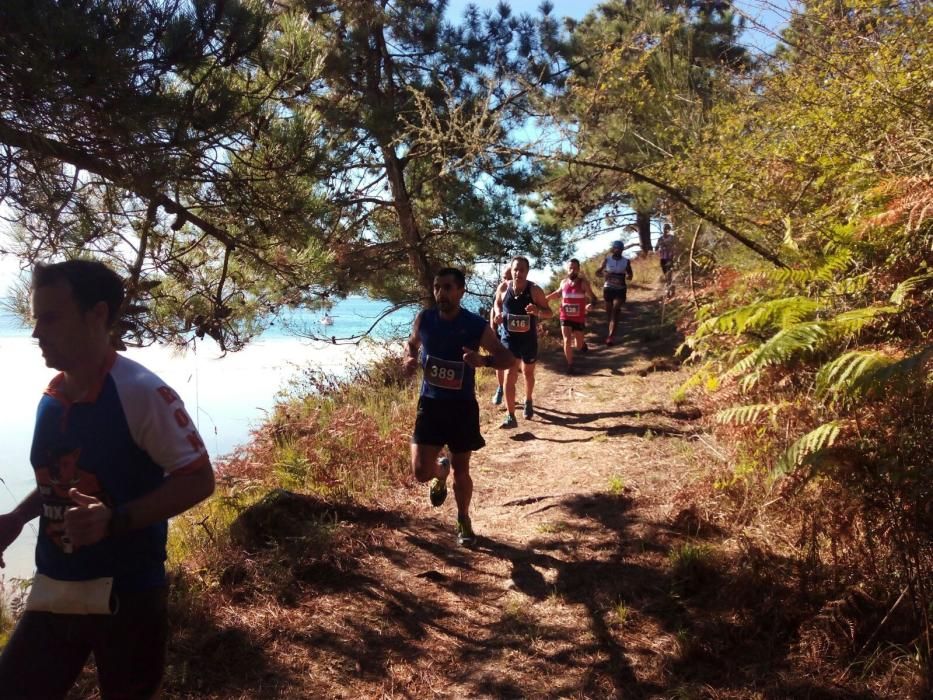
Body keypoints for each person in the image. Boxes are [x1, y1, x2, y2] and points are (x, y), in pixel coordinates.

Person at [0, 260, 215, 699]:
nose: (37, 333)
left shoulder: (140, 392)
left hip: (129, 596)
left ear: (97, 314)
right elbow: (63, 478)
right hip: (56, 588)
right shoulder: (54, 397)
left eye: (51, 317)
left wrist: (113, 520)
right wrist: (18, 517)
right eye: (35, 318)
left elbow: (198, 480)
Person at [403, 268, 513, 546]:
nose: (441, 293)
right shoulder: (424, 319)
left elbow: (507, 358)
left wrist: (484, 361)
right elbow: (412, 344)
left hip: (461, 408)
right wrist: (409, 358)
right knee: (419, 472)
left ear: (461, 291)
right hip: (429, 405)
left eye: (448, 287)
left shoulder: (475, 325)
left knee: (462, 470)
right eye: (437, 287)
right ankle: (440, 470)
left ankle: (463, 519)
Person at [492, 256, 554, 428]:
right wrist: (498, 313)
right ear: (511, 270)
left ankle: (528, 400)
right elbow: (497, 303)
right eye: (515, 269)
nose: (518, 273)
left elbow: (550, 312)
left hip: (528, 340)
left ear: (527, 272)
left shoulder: (534, 290)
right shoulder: (504, 287)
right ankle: (510, 415)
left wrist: (537, 311)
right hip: (509, 339)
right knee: (509, 375)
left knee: (527, 373)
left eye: (522, 270)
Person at [545, 258, 598, 374]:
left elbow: (594, 298)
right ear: (567, 269)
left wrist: (591, 305)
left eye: (575, 268)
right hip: (565, 316)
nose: (572, 270)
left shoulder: (583, 283)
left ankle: (582, 344)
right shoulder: (563, 283)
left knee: (578, 346)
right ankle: (570, 365)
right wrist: (547, 298)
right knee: (567, 340)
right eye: (570, 268)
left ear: (578, 269)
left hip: (578, 317)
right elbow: (558, 293)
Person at [595, 240, 634, 345]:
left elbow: (630, 276)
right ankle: (611, 331)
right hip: (608, 288)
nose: (618, 251)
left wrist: (628, 276)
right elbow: (597, 273)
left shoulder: (626, 261)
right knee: (609, 313)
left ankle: (610, 337)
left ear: (622, 250)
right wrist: (604, 274)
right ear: (613, 249)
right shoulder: (607, 260)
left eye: (620, 249)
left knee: (615, 311)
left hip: (620, 289)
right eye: (616, 248)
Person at [489, 266, 512, 406]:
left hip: (514, 335)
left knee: (511, 365)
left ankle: (508, 390)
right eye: (504, 277)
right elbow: (494, 308)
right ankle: (500, 388)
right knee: (499, 363)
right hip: (500, 332)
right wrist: (493, 328)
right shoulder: (501, 288)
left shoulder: (520, 290)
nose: (506, 280)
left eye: (508, 277)